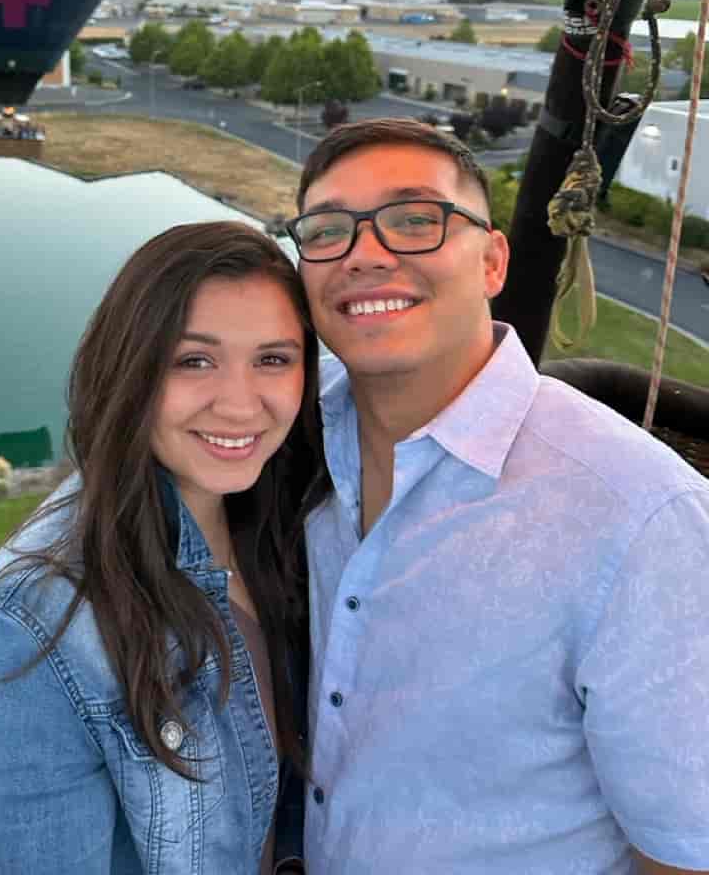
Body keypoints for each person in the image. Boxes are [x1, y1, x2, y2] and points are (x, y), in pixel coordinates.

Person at [285, 118, 709, 875]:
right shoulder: (287, 429)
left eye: (416, 219)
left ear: (492, 260)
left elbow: (683, 853)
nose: (366, 253)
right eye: (327, 230)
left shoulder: (639, 517)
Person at [0, 221, 327, 874]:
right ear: (129, 368)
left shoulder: (274, 515)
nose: (242, 404)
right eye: (194, 360)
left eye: (273, 359)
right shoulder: (24, 638)